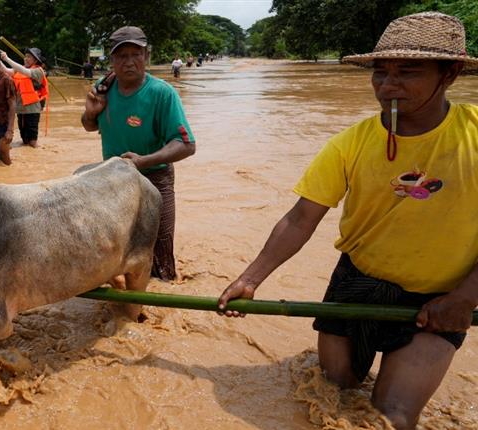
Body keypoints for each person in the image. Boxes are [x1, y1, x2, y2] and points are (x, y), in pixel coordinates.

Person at [218, 13, 477, 430]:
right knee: (333, 386)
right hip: (356, 283)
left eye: (407, 72)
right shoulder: (350, 143)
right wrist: (250, 278)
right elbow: (302, 218)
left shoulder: (475, 136)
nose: (388, 86)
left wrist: (466, 297)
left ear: (449, 74)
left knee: (391, 416)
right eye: (380, 72)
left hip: (437, 301)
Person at [81, 26, 196, 281]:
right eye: (122, 56)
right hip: (112, 180)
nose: (129, 62)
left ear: (147, 56)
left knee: (160, 247)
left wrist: (143, 161)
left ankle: (162, 295)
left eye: (136, 54)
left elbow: (187, 144)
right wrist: (91, 112)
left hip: (155, 179)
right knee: (111, 243)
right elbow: (89, 126)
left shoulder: (161, 93)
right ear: (111, 60)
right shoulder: (104, 87)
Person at [0, 47, 47, 148]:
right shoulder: (20, 70)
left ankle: (37, 155)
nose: (25, 59)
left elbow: (24, 71)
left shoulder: (38, 71)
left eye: (29, 57)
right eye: (25, 56)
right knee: (24, 140)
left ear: (35, 60)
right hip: (21, 109)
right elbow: (6, 71)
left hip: (32, 109)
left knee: (33, 142)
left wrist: (7, 58)